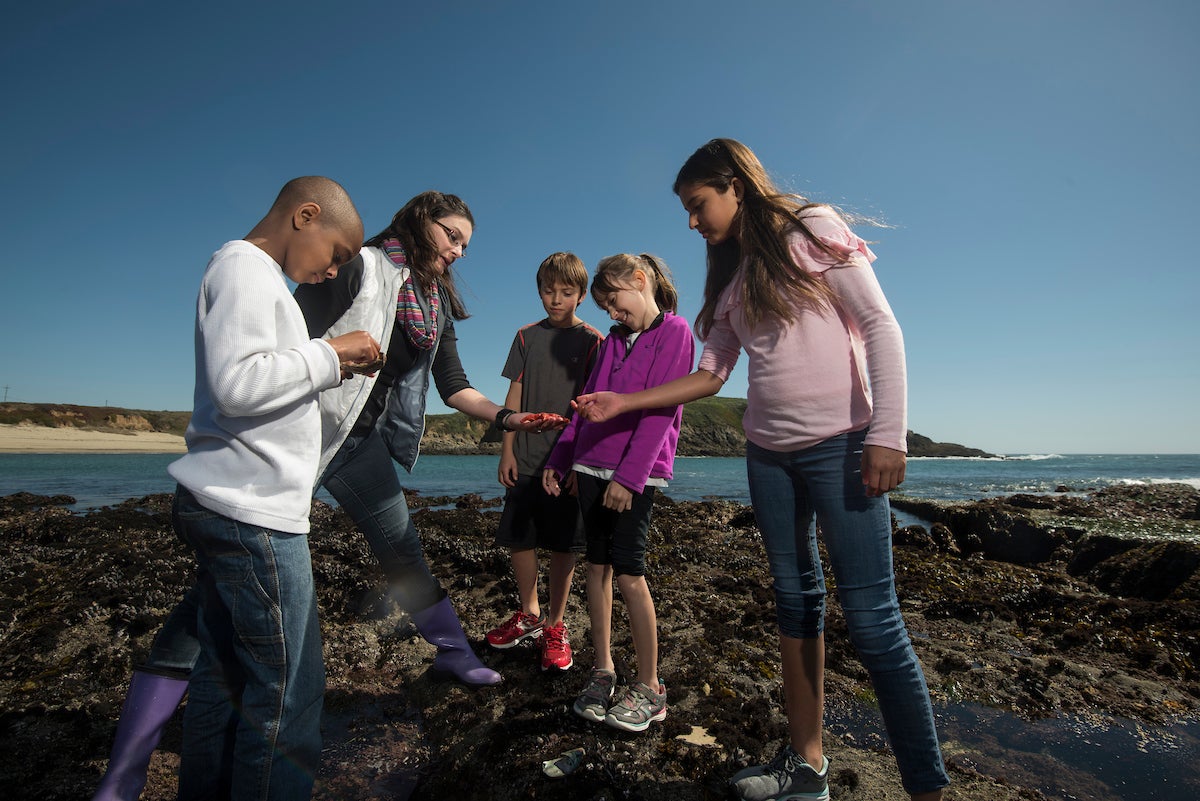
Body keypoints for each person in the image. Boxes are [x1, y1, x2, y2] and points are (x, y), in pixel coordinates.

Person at [91, 190, 552, 800]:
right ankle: (127, 764)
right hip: (302, 438)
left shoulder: (432, 302)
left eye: (467, 243)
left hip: (359, 444)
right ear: (420, 222)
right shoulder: (355, 265)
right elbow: (271, 347)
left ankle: (451, 650)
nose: (459, 250)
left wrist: (507, 421)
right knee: (214, 595)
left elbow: (455, 386)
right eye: (452, 235)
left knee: (401, 547)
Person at [574, 139, 949, 800]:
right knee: (795, 603)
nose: (693, 222)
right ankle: (807, 766)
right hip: (767, 458)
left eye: (699, 204)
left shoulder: (812, 229)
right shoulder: (731, 277)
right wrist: (625, 399)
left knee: (872, 620)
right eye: (687, 211)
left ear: (735, 185)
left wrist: (888, 433)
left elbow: (880, 325)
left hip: (844, 446)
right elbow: (711, 373)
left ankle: (928, 788)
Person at [164, 176, 379, 801]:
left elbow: (256, 380)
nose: (332, 270)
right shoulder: (245, 268)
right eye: (335, 254)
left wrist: (323, 359)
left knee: (223, 676)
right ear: (305, 216)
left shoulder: (256, 279)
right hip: (252, 513)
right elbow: (237, 384)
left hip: (227, 502)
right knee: (289, 690)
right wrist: (330, 354)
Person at [542, 253, 694, 733]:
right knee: (597, 568)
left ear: (641, 280)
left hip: (636, 476)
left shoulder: (676, 333)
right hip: (588, 467)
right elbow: (584, 403)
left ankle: (650, 686)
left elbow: (661, 411)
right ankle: (603, 669)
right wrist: (560, 458)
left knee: (631, 572)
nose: (610, 312)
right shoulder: (610, 342)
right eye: (604, 306)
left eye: (615, 301)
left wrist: (629, 478)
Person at [485, 252, 603, 672]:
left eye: (566, 292)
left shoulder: (594, 341)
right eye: (548, 291)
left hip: (567, 460)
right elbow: (512, 397)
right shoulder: (524, 336)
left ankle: (555, 623)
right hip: (526, 457)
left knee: (563, 543)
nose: (555, 299)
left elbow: (592, 405)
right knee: (520, 537)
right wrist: (507, 450)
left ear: (582, 295)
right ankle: (530, 614)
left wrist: (579, 463)